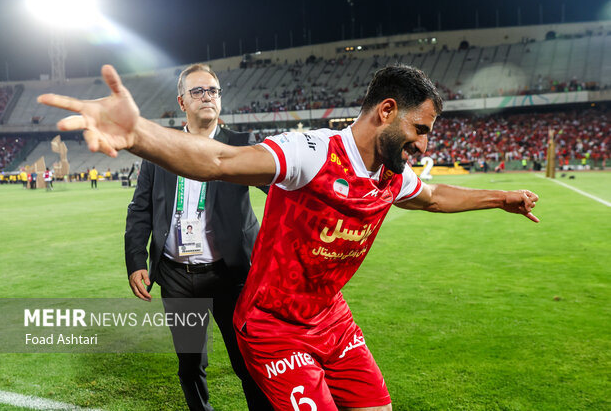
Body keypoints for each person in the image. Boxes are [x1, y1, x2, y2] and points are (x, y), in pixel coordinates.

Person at [39, 64, 539, 411]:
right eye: (421, 128)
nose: (425, 144)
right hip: (273, 323)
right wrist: (141, 134)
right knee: (194, 363)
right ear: (387, 111)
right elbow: (218, 161)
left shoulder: (389, 172)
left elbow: (431, 196)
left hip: (331, 318)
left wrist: (502, 198)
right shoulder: (310, 152)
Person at [123, 64, 271, 411]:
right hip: (176, 276)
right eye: (198, 91)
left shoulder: (242, 145)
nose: (207, 97)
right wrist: (135, 261)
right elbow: (140, 209)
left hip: (231, 275)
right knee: (190, 366)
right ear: (181, 102)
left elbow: (280, 188)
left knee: (248, 362)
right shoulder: (160, 149)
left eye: (213, 91)